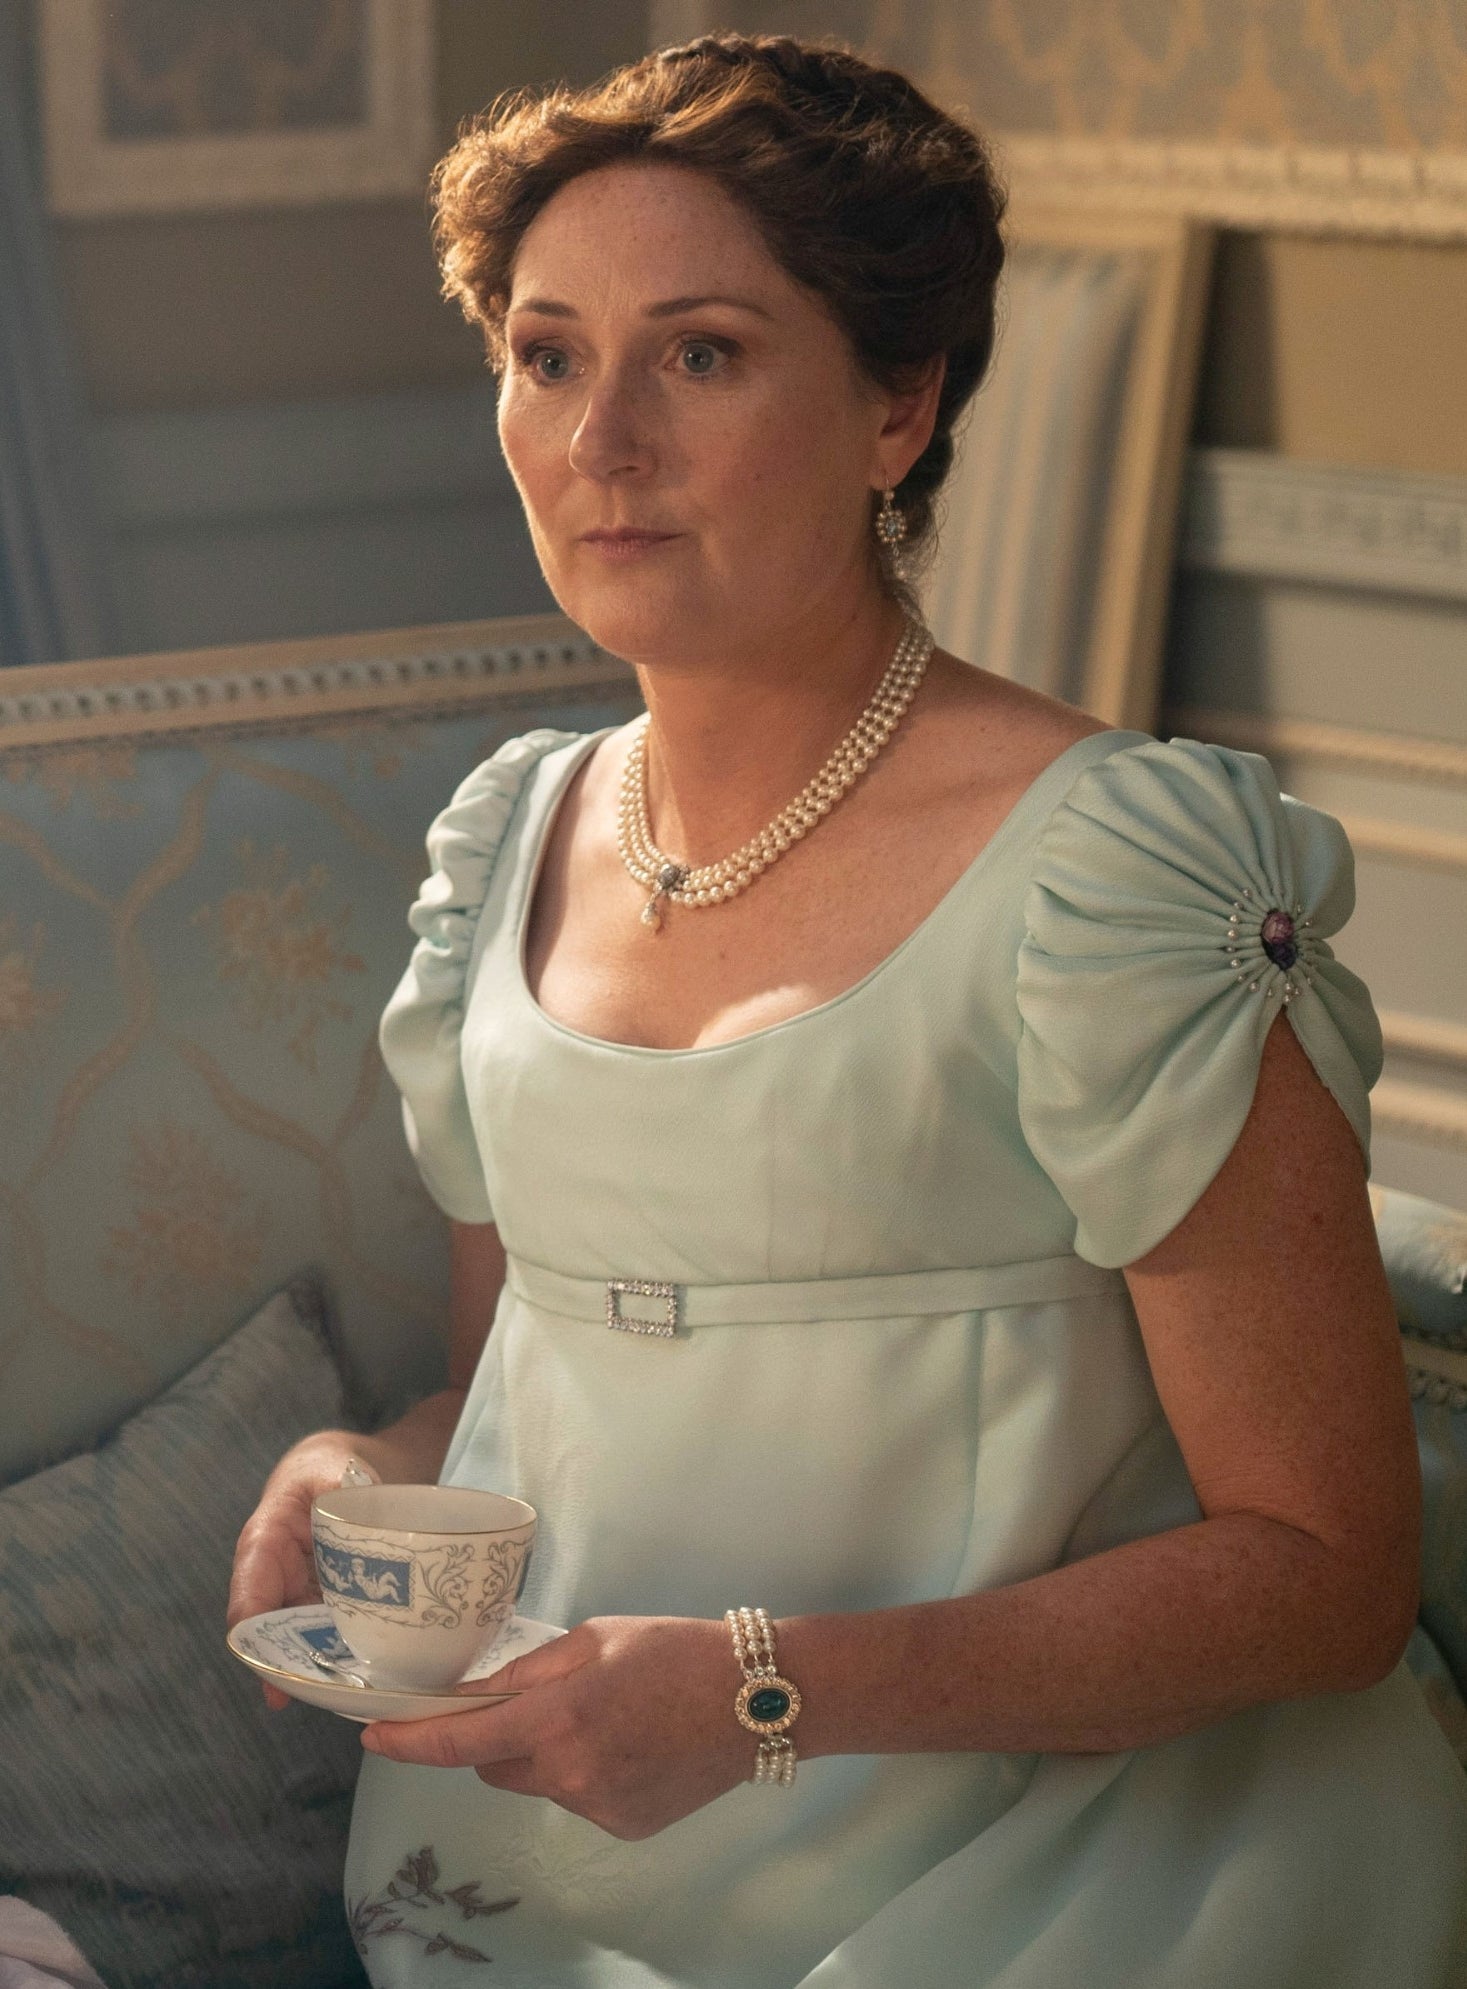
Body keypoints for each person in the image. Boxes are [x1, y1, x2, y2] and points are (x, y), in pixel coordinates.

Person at [227, 33, 1467, 1988]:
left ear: (900, 402)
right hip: (555, 1862)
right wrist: (370, 1463)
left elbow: (1325, 1571)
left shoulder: (1115, 877)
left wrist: (759, 1693)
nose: (600, 439)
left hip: (1061, 1869)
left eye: (701, 354)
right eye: (546, 355)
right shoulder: (506, 848)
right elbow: (521, 1394)